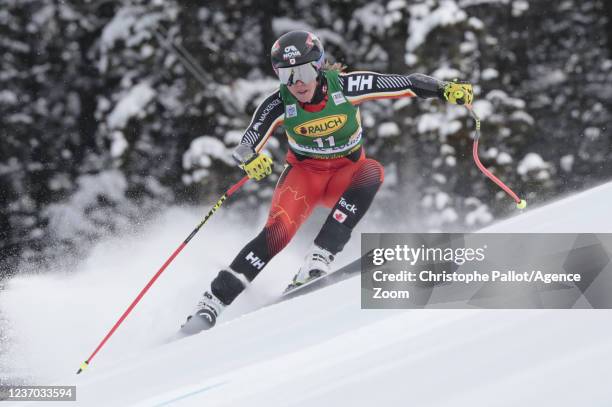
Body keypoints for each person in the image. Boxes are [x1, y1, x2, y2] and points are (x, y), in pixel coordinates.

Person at [182, 30, 473, 334]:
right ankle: (210, 304)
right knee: (277, 233)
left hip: (344, 176)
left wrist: (443, 89)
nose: (297, 83)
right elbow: (247, 141)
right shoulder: (279, 103)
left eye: (305, 71)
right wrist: (250, 159)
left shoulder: (347, 87)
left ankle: (318, 259)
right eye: (287, 75)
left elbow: (406, 83)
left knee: (372, 170)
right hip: (305, 178)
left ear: (319, 67)